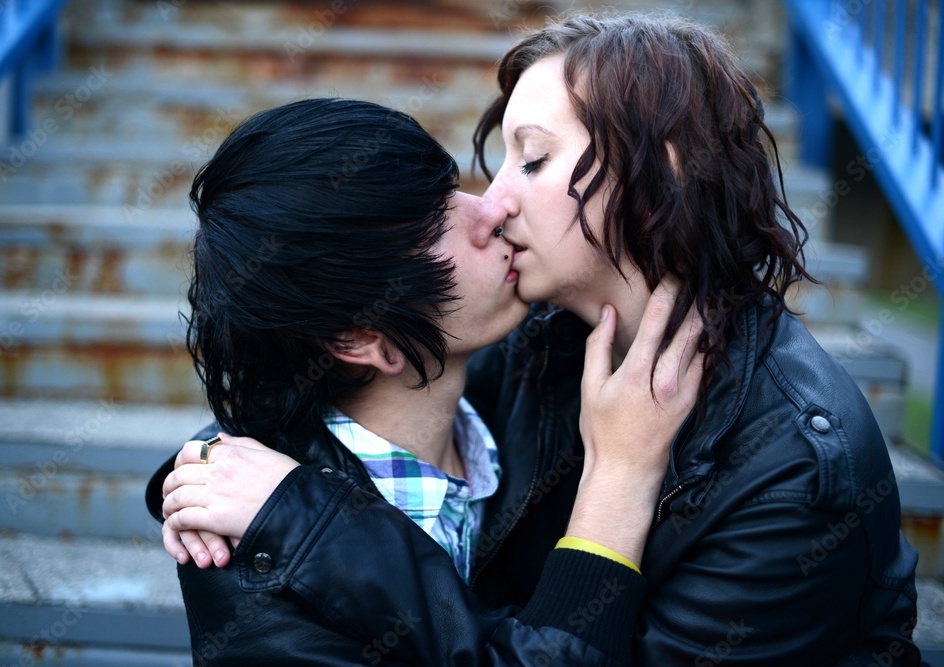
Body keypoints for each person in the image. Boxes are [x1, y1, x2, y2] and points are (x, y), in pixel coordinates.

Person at [159, 14, 924, 665]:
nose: (491, 204)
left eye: (532, 158)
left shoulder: (789, 468)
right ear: (367, 338)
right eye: (498, 165)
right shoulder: (534, 354)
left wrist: (306, 519)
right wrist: (232, 479)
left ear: (655, 181)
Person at [146, 96, 703, 666]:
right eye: (438, 225)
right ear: (361, 339)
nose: (490, 210)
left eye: (452, 189)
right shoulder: (248, 560)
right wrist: (622, 472)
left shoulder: (522, 387)